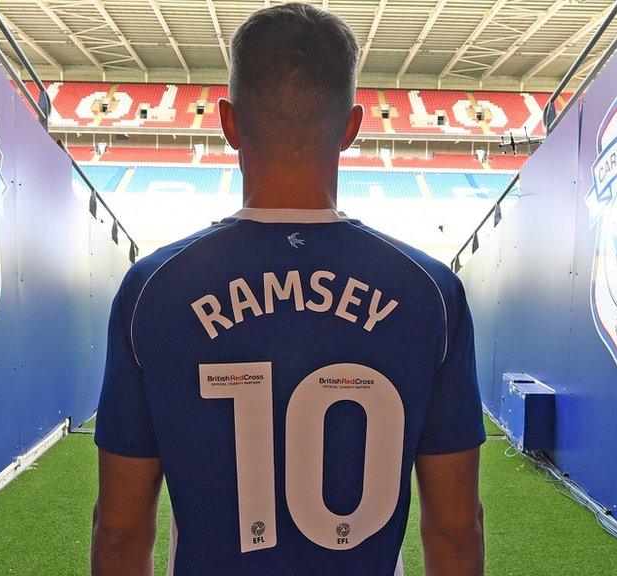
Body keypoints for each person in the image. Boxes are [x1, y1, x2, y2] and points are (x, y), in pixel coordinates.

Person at [91, 4, 485, 575]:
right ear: (352, 127)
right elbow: (454, 528)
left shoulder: (153, 289)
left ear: (228, 123)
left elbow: (122, 530)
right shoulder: (430, 292)